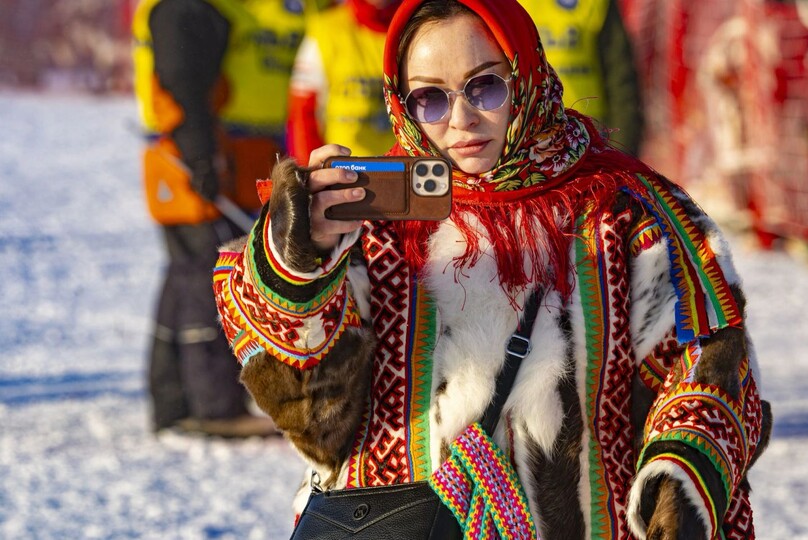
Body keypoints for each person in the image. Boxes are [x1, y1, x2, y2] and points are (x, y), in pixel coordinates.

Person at [212, 0, 771, 537]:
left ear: (525, 75)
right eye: (430, 98)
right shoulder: (375, 224)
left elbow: (707, 363)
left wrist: (680, 477)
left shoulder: (629, 213)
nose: (460, 119)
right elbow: (312, 415)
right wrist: (297, 265)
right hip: (401, 525)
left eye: (484, 85)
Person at [132, 0, 305, 437]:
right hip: (196, 154)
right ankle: (213, 405)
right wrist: (200, 155)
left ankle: (173, 401)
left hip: (207, 152)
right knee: (208, 276)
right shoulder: (186, 9)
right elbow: (181, 81)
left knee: (186, 273)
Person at [517, 0, 644, 155]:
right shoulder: (504, 6)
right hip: (528, 139)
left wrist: (623, 153)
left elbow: (621, 80)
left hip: (591, 137)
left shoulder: (594, 4)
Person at [286, 0, 403, 164]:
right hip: (342, 170)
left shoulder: (418, 24)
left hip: (402, 168)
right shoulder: (325, 29)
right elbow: (302, 113)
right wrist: (309, 174)